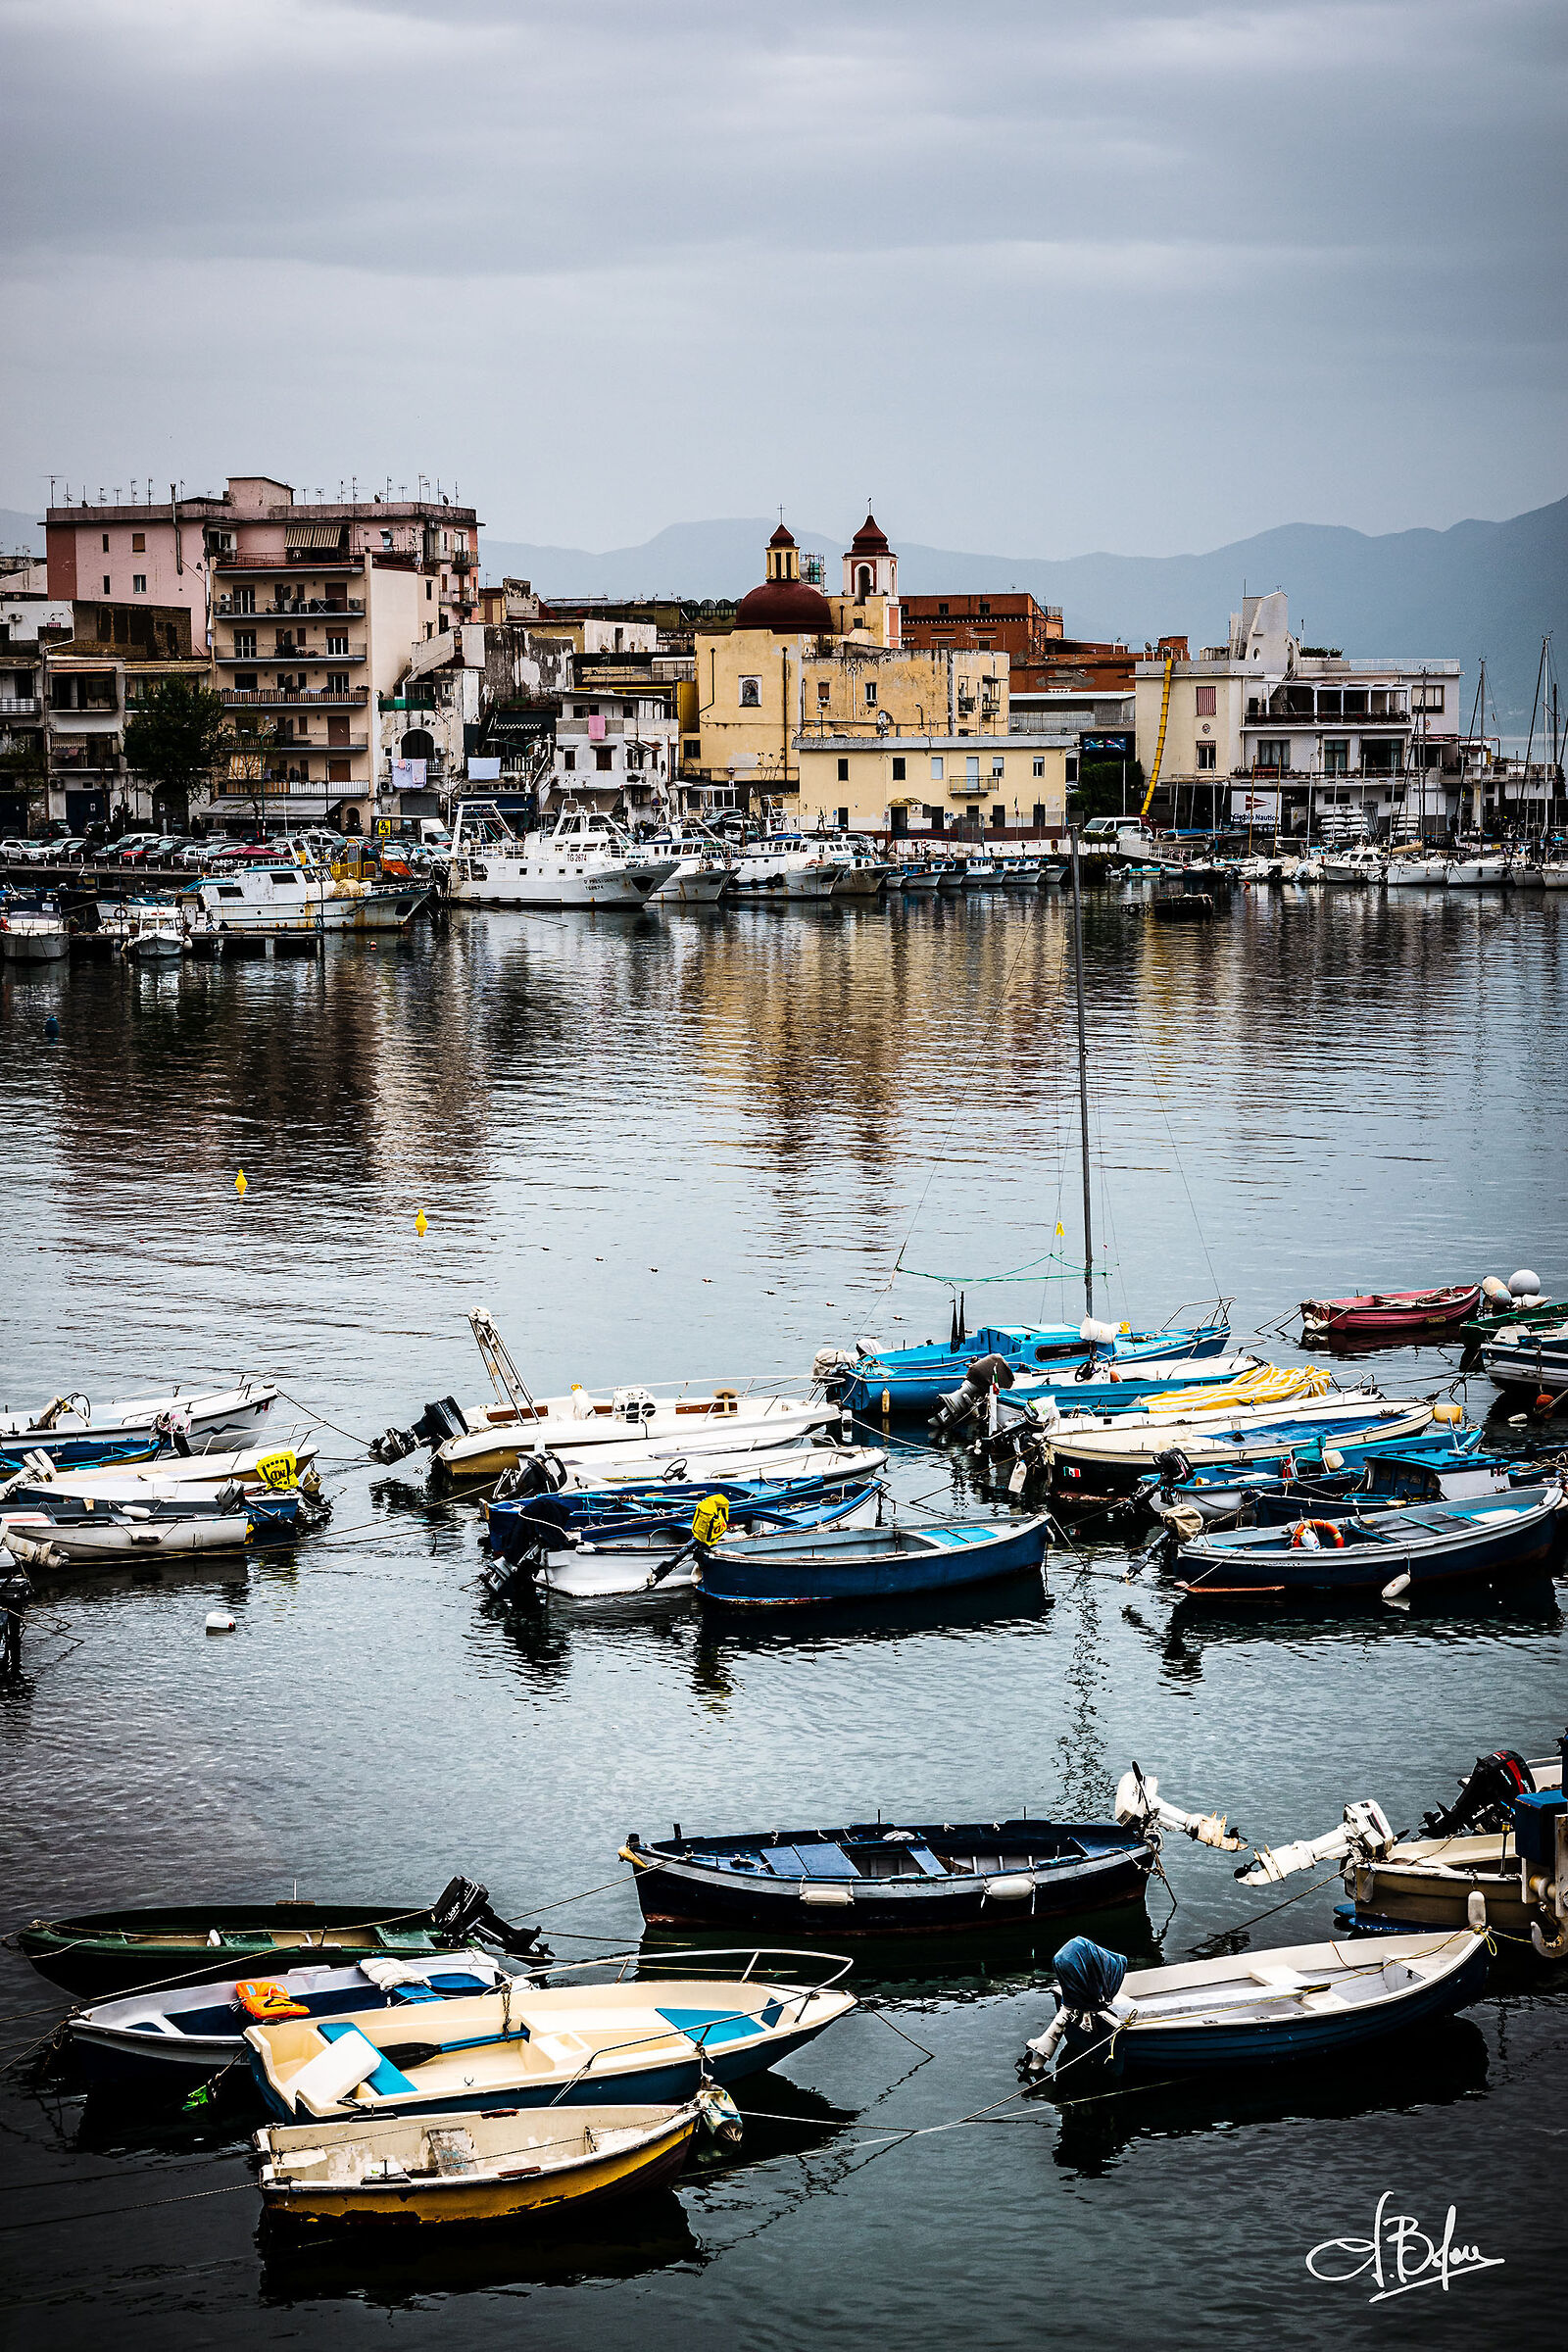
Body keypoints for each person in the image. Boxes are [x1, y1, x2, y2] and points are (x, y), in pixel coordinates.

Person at [0, 1562, 31, 1678]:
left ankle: (7, 1660)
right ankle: (13, 1663)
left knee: (5, 1635)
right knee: (14, 1635)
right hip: (14, 1607)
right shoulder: (16, 1580)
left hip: (6, 1608)